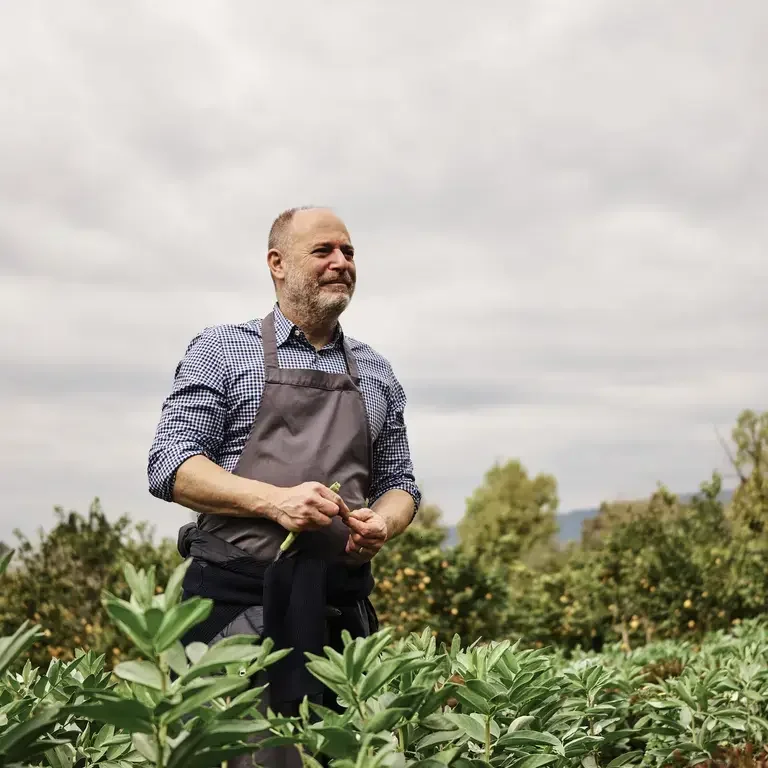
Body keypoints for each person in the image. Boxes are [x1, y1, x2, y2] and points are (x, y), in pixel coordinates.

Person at [147, 206, 421, 767]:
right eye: (323, 251)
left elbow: (400, 484)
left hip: (339, 625)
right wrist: (275, 501)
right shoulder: (223, 350)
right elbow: (172, 465)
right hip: (235, 615)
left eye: (348, 253)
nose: (341, 263)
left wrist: (384, 523)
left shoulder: (376, 372)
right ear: (277, 263)